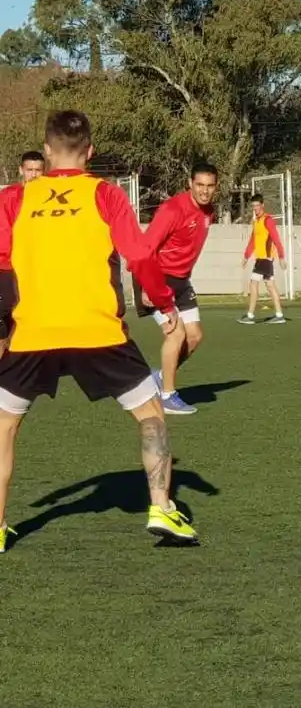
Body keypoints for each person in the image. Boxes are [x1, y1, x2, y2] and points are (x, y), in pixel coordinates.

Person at [0, 110, 199, 552]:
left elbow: (1, 259)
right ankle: (161, 507)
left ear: (47, 152)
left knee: (4, 428)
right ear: (90, 153)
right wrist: (165, 305)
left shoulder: (15, 199)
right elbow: (142, 256)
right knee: (150, 414)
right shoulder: (106, 195)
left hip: (33, 332)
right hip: (98, 332)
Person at [132, 162, 218, 415]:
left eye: (210, 186)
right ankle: (168, 396)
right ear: (190, 184)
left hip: (181, 281)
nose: (204, 191)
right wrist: (147, 286)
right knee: (176, 334)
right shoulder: (172, 209)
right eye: (200, 185)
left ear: (216, 186)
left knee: (195, 336)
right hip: (156, 277)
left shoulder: (208, 211)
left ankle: (159, 378)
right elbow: (145, 248)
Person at [0, 151, 47, 352]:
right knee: (8, 314)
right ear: (21, 170)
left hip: (39, 269)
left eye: (38, 170)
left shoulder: (51, 199)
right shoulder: (9, 197)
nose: (34, 175)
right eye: (30, 170)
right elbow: (3, 233)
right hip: (9, 267)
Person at [238, 193, 286, 324]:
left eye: (257, 206)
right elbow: (253, 241)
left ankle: (250, 315)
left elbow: (276, 238)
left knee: (253, 283)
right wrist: (246, 257)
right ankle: (279, 314)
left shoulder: (267, 220)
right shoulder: (256, 222)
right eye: (253, 206)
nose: (255, 208)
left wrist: (281, 256)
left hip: (264, 259)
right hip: (262, 259)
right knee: (270, 285)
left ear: (262, 205)